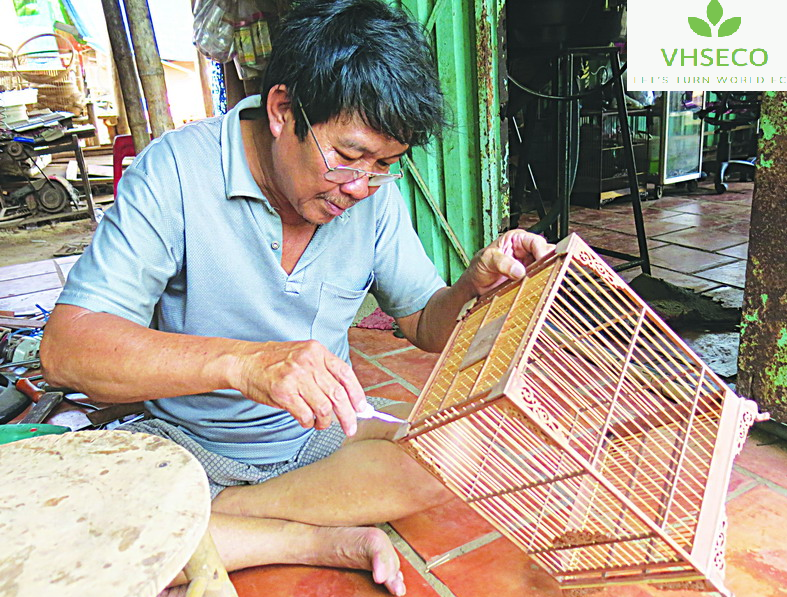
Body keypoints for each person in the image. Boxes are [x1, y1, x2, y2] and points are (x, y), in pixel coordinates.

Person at [40, 0, 551, 594]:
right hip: (189, 446)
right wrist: (245, 363)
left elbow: (423, 322)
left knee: (469, 451)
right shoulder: (175, 171)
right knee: (69, 531)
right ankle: (309, 538)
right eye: (348, 156)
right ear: (283, 110)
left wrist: (473, 290)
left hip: (321, 439)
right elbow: (66, 348)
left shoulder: (372, 197)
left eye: (385, 165)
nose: (360, 187)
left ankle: (213, 524)